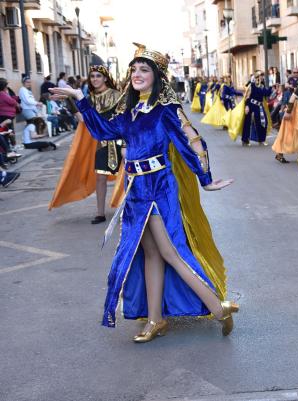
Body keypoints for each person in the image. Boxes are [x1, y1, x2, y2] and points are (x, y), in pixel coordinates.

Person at [50, 43, 238, 342]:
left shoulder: (165, 110)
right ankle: (155, 320)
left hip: (158, 186)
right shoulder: (130, 111)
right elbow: (102, 131)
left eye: (144, 70)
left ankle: (218, 308)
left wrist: (206, 178)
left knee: (170, 252)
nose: (137, 74)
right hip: (135, 188)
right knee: (150, 253)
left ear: (157, 76)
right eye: (134, 70)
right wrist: (79, 98)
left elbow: (191, 141)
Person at [49, 65, 124, 225]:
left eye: (98, 76)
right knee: (100, 178)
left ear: (105, 78)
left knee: (128, 177)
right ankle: (100, 213)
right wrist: (70, 101)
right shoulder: (89, 98)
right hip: (103, 143)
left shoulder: (118, 96)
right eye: (92, 76)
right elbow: (84, 120)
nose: (95, 79)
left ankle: (131, 209)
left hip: (123, 141)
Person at [237, 71, 272, 146]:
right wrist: (246, 106)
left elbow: (266, 93)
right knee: (248, 123)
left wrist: (272, 88)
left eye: (262, 76)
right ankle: (245, 140)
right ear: (257, 77)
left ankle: (261, 140)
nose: (262, 77)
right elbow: (247, 97)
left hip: (260, 107)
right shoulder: (251, 86)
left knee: (263, 122)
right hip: (251, 106)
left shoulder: (262, 86)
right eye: (261, 76)